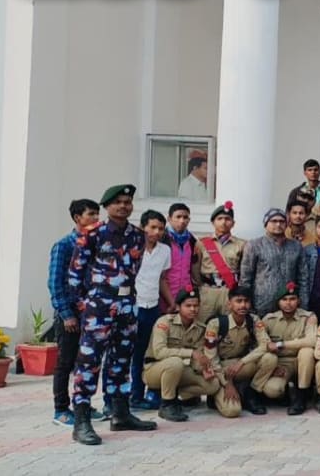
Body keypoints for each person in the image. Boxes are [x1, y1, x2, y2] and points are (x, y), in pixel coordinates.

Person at [67, 184, 158, 446]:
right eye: (117, 202)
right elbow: (75, 274)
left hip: (127, 303)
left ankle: (120, 413)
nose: (123, 206)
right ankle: (82, 420)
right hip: (99, 305)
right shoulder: (93, 234)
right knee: (89, 361)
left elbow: (134, 268)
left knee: (121, 359)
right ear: (107, 206)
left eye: (127, 202)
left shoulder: (138, 235)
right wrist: (84, 305)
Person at [49, 198, 100, 425]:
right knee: (65, 362)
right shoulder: (64, 245)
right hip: (70, 313)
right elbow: (55, 283)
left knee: (87, 361)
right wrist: (66, 314)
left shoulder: (95, 244)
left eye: (97, 214)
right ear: (77, 218)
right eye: (91, 214)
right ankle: (61, 409)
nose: (96, 218)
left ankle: (83, 405)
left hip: (91, 312)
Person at [143, 286, 220, 422]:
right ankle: (167, 405)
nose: (193, 309)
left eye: (196, 305)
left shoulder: (200, 328)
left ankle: (178, 395)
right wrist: (190, 353)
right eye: (188, 306)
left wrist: (203, 369)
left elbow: (198, 357)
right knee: (175, 363)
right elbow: (160, 352)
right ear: (178, 307)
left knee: (213, 384)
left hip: (180, 370)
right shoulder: (164, 322)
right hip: (154, 369)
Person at [204, 285, 273, 417]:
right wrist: (227, 384)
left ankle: (250, 393)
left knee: (270, 358)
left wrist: (242, 362)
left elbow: (266, 344)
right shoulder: (216, 324)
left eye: (246, 301)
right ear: (229, 304)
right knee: (232, 411)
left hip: (240, 366)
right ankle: (217, 394)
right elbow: (211, 358)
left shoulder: (253, 320)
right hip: (221, 369)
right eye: (238, 301)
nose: (243, 305)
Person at [130, 210, 170, 411]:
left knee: (149, 351)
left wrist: (171, 302)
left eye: (161, 228)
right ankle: (132, 395)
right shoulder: (132, 247)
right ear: (143, 227)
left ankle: (148, 393)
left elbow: (162, 278)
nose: (157, 232)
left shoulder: (165, 250)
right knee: (132, 353)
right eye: (153, 227)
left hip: (153, 306)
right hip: (133, 305)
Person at [259, 282, 318, 415]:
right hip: (281, 363)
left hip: (300, 361)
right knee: (272, 390)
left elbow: (312, 340)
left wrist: (281, 344)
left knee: (307, 352)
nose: (288, 303)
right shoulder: (269, 319)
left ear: (298, 301)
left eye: (292, 299)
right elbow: (262, 345)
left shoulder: (308, 317)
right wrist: (272, 367)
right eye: (284, 299)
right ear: (278, 302)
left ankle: (301, 396)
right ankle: (284, 393)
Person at [240, 208, 305, 315]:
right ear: (266, 224)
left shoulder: (296, 246)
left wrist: (303, 303)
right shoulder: (254, 245)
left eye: (282, 221)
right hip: (261, 303)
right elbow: (245, 278)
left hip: (289, 303)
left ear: (287, 224)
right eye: (274, 221)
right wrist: (246, 303)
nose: (278, 224)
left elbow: (303, 277)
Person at [193, 201, 246, 325]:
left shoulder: (242, 244)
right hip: (207, 291)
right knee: (202, 324)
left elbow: (244, 270)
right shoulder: (202, 243)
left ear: (233, 223)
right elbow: (195, 267)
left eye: (227, 219)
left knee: (229, 325)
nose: (223, 222)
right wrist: (201, 286)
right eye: (219, 218)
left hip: (230, 291)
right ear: (213, 222)